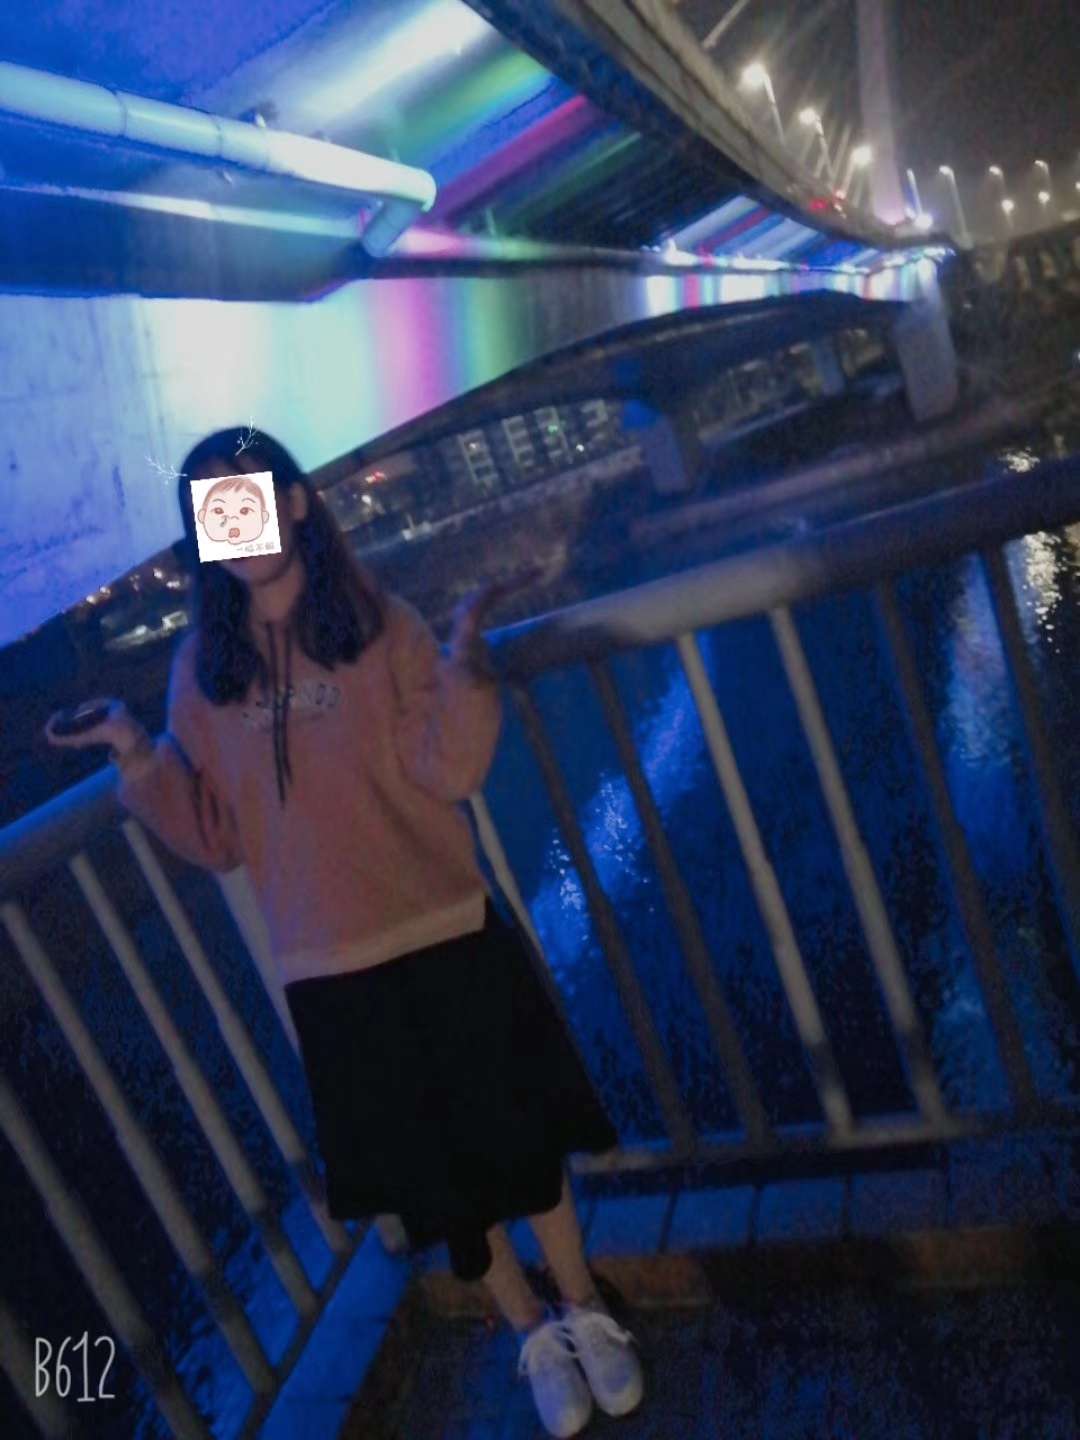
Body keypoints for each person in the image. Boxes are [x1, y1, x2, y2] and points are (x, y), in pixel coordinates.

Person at [46, 430, 644, 1437]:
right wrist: (135, 753)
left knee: (523, 1144)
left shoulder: (381, 625)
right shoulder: (202, 673)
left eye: (247, 498)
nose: (237, 526)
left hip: (446, 931)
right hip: (332, 974)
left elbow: (450, 770)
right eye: (213, 514)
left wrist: (464, 665)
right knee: (446, 1182)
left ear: (294, 503)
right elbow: (216, 836)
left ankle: (584, 1306)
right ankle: (530, 1331)